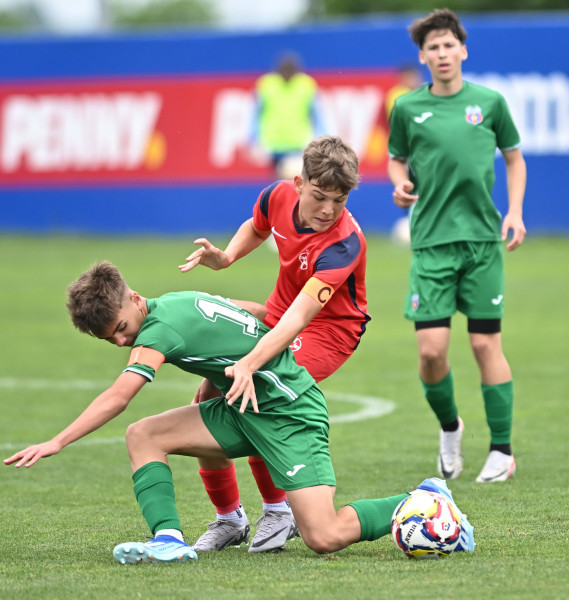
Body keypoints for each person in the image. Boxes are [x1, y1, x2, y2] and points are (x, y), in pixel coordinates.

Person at [3, 261, 475, 564]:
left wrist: (57, 441)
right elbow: (245, 309)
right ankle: (176, 537)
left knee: (323, 536)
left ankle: (426, 499)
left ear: (134, 299)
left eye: (123, 329)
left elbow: (119, 395)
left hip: (291, 414)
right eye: (113, 340)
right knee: (144, 435)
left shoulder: (160, 329)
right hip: (243, 407)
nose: (124, 342)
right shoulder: (179, 302)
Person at [177, 134, 369, 553]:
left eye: (339, 201)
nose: (327, 210)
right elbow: (259, 225)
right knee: (209, 392)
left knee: (260, 391)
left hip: (329, 331)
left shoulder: (344, 244)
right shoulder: (276, 195)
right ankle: (230, 518)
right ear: (298, 184)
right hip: (280, 314)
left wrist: (250, 363)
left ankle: (279, 511)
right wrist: (226, 257)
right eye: (319, 196)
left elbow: (301, 318)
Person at [387, 8, 527, 483]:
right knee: (431, 353)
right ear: (422, 57)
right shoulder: (407, 108)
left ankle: (502, 451)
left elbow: (514, 158)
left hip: (483, 243)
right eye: (433, 47)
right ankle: (451, 428)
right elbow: (396, 161)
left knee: (485, 342)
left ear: (462, 51)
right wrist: (400, 184)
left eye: (450, 45)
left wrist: (514, 211)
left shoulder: (490, 103)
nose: (442, 53)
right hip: (431, 245)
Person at [251, 51, 324, 179]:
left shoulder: (306, 85)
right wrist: (253, 138)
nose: (287, 74)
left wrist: (321, 136)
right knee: (279, 182)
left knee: (296, 180)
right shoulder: (267, 84)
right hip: (274, 143)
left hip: (298, 142)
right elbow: (256, 114)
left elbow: (316, 114)